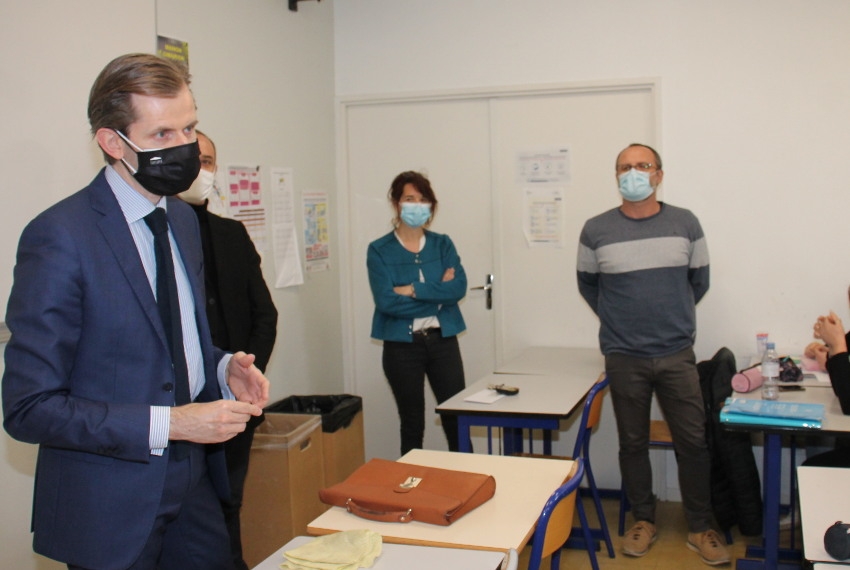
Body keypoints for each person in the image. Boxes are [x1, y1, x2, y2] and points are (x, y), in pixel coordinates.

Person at [2, 53, 269, 570]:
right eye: (163, 135)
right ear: (112, 143)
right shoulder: (60, 236)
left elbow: (166, 339)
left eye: (189, 127)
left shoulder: (183, 222)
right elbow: (29, 407)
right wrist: (169, 424)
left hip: (194, 482)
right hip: (109, 504)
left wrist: (219, 366)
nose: (185, 147)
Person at [576, 143, 729, 566]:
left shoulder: (685, 223)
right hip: (624, 355)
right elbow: (589, 285)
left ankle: (700, 526)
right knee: (632, 442)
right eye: (624, 167)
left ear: (659, 174)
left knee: (694, 442)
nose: (633, 173)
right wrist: (622, 320)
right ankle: (643, 520)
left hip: (677, 353)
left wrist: (670, 317)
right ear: (616, 177)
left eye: (642, 166)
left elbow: (699, 281)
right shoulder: (596, 229)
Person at [178, 130, 278, 570]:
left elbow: (265, 315)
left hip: (235, 400)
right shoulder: (158, 237)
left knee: (229, 501)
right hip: (180, 408)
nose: (203, 168)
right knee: (186, 513)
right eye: (194, 158)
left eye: (210, 160)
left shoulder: (232, 234)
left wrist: (243, 376)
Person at [367, 171, 468, 456]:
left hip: (443, 341)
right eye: (410, 199)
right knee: (412, 422)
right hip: (402, 347)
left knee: (455, 417)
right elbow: (386, 302)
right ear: (396, 203)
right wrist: (438, 295)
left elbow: (457, 288)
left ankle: (468, 483)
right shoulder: (379, 250)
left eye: (423, 200)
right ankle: (412, 493)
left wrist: (411, 289)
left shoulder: (442, 243)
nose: (417, 205)